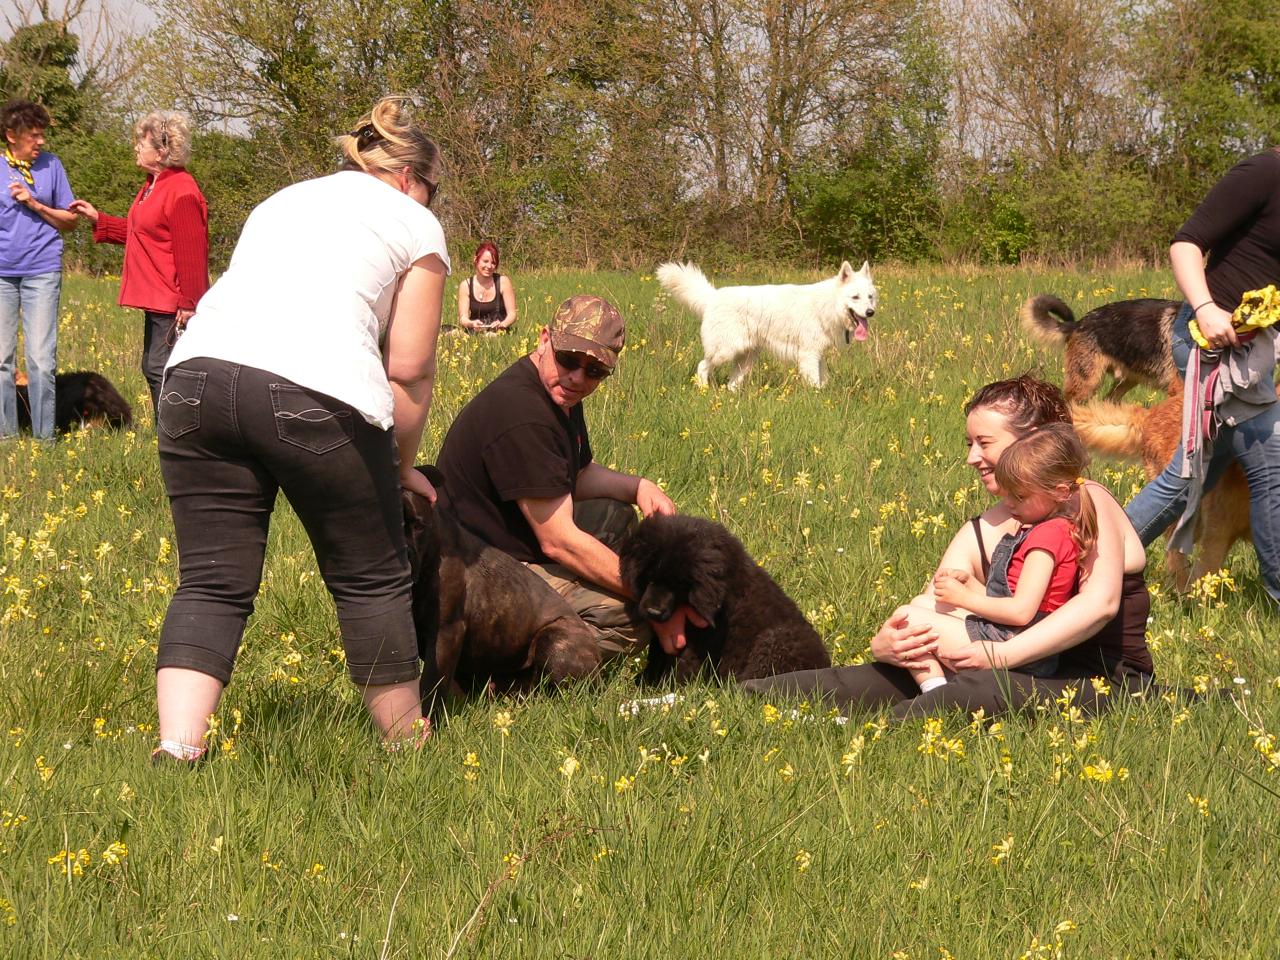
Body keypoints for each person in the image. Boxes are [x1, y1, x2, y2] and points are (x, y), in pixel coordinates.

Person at [148, 97, 449, 762]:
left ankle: (176, 748)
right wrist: (399, 467)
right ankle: (408, 745)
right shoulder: (415, 223)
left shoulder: (284, 199)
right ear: (409, 179)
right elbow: (410, 368)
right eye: (433, 191)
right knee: (370, 576)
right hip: (313, 391)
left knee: (211, 579)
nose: (432, 204)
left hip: (194, 379)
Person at [740, 374, 1155, 720]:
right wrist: (888, 643)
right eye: (968, 443)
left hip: (1097, 679)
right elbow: (934, 606)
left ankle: (871, 731)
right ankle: (741, 699)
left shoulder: (1083, 500)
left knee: (974, 691)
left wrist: (1001, 655)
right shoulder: (981, 528)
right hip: (1000, 667)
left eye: (985, 442)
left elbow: (1099, 605)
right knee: (852, 682)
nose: (973, 457)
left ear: (1035, 443)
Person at [434, 294, 694, 659]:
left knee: (615, 512)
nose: (577, 378)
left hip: (507, 539)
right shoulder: (522, 413)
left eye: (595, 371)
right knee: (632, 617)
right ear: (544, 340)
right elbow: (559, 542)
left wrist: (638, 487)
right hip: (478, 575)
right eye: (568, 360)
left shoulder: (558, 393)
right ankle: (512, 662)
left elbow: (577, 473)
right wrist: (653, 594)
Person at [1123, 147, 1280, 604]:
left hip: (1255, 355)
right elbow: (1186, 242)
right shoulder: (1265, 171)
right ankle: (1090, 563)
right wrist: (1208, 308)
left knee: (1205, 476)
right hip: (1209, 340)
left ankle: (1090, 561)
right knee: (1202, 476)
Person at [908, 424, 1097, 691]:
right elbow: (1010, 596)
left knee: (908, 619)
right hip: (1016, 635)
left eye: (1019, 496)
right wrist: (970, 584)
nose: (1008, 503)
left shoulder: (1048, 537)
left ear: (1061, 492)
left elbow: (1021, 611)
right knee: (923, 603)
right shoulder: (1050, 528)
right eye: (1008, 493)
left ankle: (938, 694)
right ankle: (948, 683)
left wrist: (965, 599)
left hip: (1018, 645)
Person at [70, 110, 209, 417]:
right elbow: (143, 233)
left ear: (161, 152)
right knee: (153, 366)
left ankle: (174, 436)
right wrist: (99, 219)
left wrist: (189, 303)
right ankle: (170, 435)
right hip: (156, 296)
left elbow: (192, 253)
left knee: (161, 368)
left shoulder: (181, 190)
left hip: (172, 300)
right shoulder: (153, 185)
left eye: (140, 142)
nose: (135, 147)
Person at [1, 99, 76, 440]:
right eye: (34, 135)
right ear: (11, 136)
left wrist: (32, 201)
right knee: (2, 362)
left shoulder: (52, 166)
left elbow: (70, 221)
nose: (41, 142)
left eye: (42, 135)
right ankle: (7, 437)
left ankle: (45, 440)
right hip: (2, 275)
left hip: (43, 272)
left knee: (41, 361)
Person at [455, 240, 516, 332]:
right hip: (475, 332)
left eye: (493, 263)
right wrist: (471, 323)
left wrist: (503, 324)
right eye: (485, 261)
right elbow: (463, 318)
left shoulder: (503, 282)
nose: (489, 266)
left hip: (499, 332)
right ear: (476, 260)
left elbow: (512, 314)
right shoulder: (465, 286)